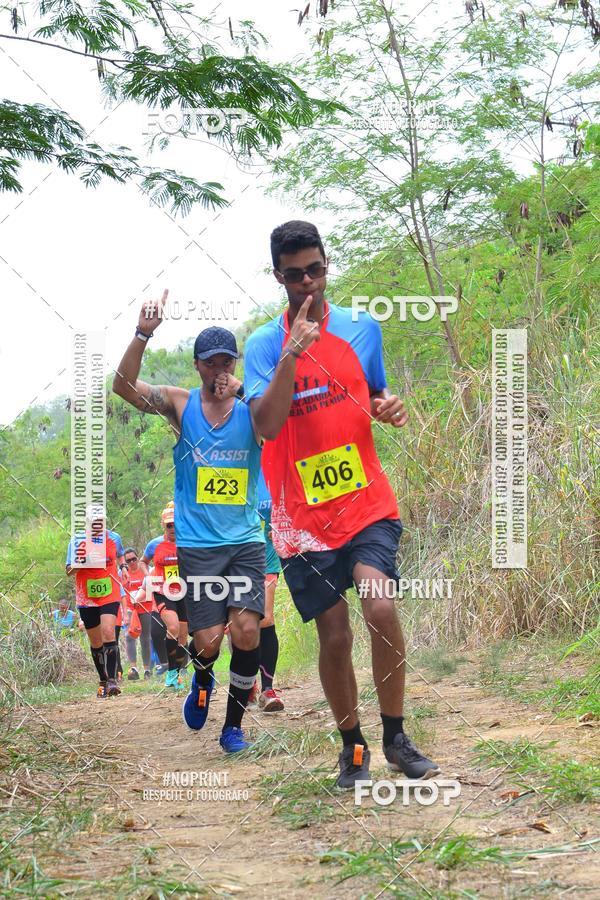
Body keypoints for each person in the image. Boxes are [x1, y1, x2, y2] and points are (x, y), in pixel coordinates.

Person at [244, 220, 439, 788]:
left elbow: (374, 390)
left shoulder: (361, 327)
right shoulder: (262, 345)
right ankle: (352, 746)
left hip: (364, 500)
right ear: (278, 277)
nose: (307, 283)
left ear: (326, 266)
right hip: (300, 518)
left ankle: (396, 738)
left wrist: (388, 405)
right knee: (335, 635)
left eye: (315, 270)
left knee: (380, 609)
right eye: (294, 275)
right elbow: (266, 425)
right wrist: (291, 354)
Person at [113, 313, 265, 753]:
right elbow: (123, 386)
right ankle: (202, 679)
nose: (219, 370)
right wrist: (142, 334)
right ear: (197, 365)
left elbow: (284, 421)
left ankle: (233, 727)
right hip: (199, 546)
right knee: (208, 641)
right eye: (211, 362)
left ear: (235, 364)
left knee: (247, 631)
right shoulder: (181, 406)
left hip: (245, 541)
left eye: (227, 362)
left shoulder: (252, 408)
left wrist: (243, 391)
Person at [65, 504, 128, 698]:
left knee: (109, 631)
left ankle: (112, 681)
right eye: (94, 522)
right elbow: (68, 570)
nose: (98, 525)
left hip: (110, 591)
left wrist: (123, 567)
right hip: (87, 595)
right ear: (88, 522)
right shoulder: (77, 541)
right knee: (96, 640)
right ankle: (103, 679)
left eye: (101, 521)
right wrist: (83, 561)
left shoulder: (114, 538)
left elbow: (120, 554)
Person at [249, 469, 284, 712]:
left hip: (267, 558)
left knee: (265, 618)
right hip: (234, 556)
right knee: (242, 624)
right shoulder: (230, 462)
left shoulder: (273, 468)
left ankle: (267, 689)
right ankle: (247, 681)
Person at [150, 505, 188, 689]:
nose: (173, 528)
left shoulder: (188, 541)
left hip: (184, 592)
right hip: (163, 592)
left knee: (183, 636)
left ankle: (177, 673)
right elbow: (143, 561)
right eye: (169, 525)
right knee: (172, 627)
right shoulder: (155, 544)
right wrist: (151, 578)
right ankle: (171, 673)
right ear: (163, 525)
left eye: (175, 524)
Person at [121, 547, 151, 680]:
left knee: (145, 638)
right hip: (130, 608)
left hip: (145, 607)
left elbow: (152, 587)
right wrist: (124, 611)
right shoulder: (122, 573)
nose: (132, 562)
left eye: (134, 559)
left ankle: (147, 669)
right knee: (129, 636)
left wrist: (141, 597)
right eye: (128, 561)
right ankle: (133, 669)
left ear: (138, 558)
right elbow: (121, 592)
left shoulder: (146, 570)